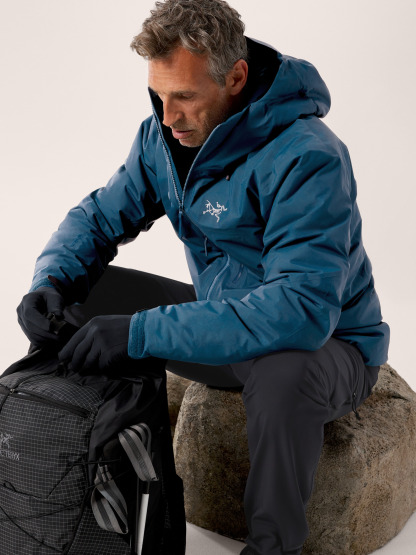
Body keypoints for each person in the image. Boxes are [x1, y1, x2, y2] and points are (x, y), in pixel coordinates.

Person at [16, 1, 390, 553]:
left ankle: (272, 546)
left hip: (327, 345)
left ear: (235, 77)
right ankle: (74, 465)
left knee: (282, 375)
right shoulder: (164, 138)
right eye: (158, 96)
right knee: (80, 294)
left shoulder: (310, 156)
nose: (168, 117)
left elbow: (300, 311)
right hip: (229, 325)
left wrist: (141, 332)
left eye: (185, 97)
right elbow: (98, 217)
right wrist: (48, 282)